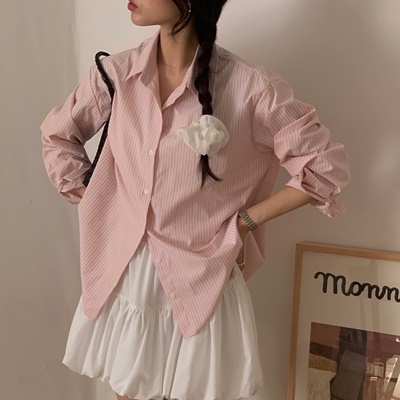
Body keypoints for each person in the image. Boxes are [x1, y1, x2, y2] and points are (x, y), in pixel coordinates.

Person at [41, 0, 350, 399]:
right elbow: (58, 136)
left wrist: (245, 222)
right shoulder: (116, 75)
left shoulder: (251, 89)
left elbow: (325, 168)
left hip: (203, 276)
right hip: (129, 276)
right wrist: (101, 202)